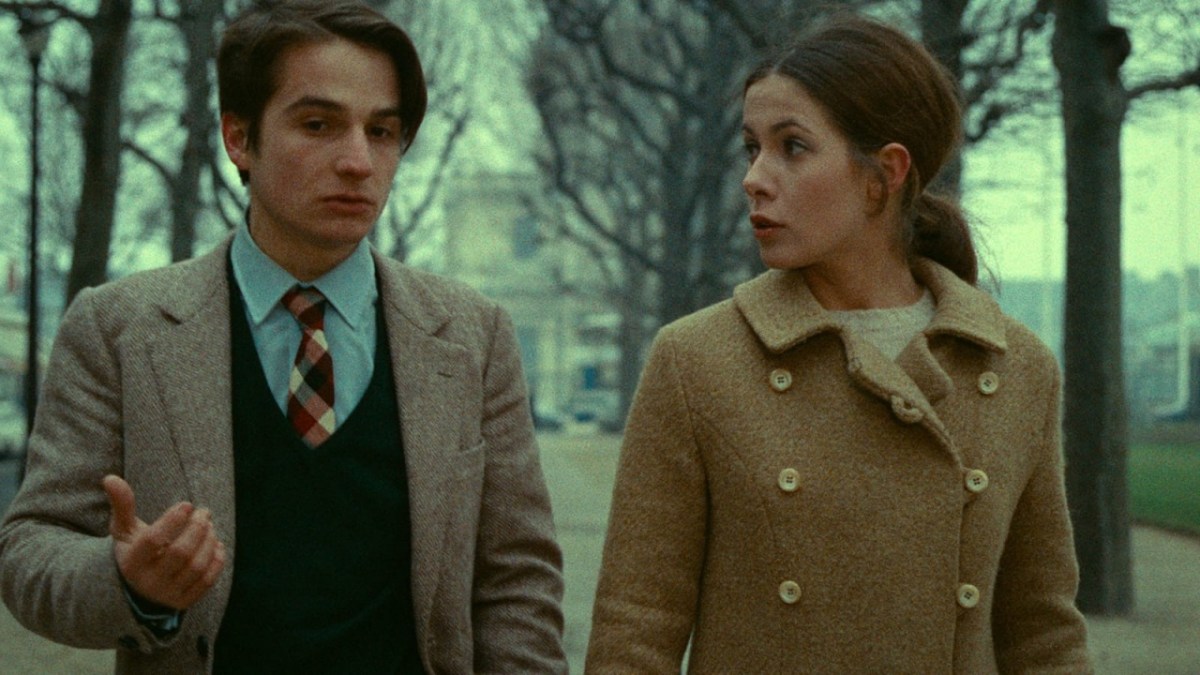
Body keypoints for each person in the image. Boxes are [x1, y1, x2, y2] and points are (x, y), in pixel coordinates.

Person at [0, 1, 566, 673]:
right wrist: (127, 583)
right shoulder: (118, 328)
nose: (358, 161)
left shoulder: (473, 336)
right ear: (239, 138)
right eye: (318, 124)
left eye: (382, 131)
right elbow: (31, 549)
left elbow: (517, 581)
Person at [585, 14, 1092, 674]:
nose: (754, 177)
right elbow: (635, 629)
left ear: (885, 172)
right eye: (752, 148)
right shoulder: (696, 360)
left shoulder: (1016, 368)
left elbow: (1044, 633)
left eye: (792, 147)